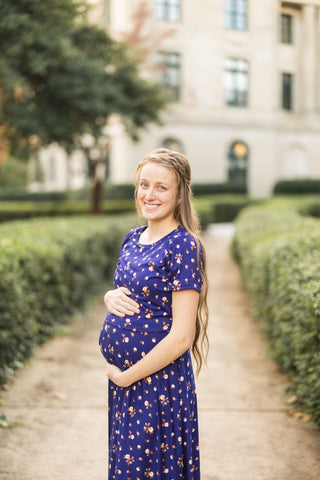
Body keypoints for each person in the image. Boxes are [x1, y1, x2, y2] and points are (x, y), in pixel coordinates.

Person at [99, 148, 209, 479]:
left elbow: (182, 337)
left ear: (179, 195)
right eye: (144, 184)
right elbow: (131, 293)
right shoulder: (133, 238)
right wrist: (108, 297)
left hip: (157, 386)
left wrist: (126, 376)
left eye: (161, 187)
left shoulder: (184, 246)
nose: (149, 194)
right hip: (126, 385)